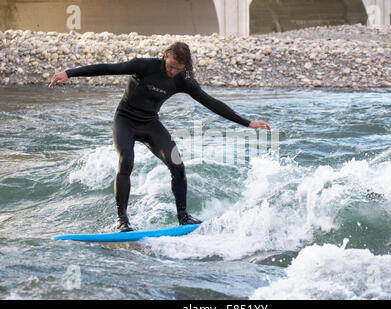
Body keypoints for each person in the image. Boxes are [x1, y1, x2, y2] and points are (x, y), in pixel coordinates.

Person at [48, 42, 271, 232]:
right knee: (126, 161)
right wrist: (68, 73)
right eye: (171, 66)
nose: (173, 72)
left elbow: (210, 102)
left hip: (150, 123)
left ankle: (183, 216)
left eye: (178, 68)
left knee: (177, 164)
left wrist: (247, 123)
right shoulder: (144, 66)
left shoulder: (182, 80)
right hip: (125, 120)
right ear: (165, 56)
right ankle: (122, 220)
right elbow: (108, 68)